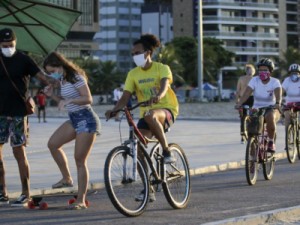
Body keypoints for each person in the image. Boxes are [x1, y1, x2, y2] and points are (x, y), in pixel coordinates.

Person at [105, 34, 179, 201]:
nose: (134, 56)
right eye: (132, 54)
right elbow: (125, 97)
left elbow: (164, 86)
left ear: (148, 53)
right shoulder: (133, 74)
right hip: (145, 115)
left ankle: (167, 151)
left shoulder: (162, 68)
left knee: (152, 114)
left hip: (166, 109)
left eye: (137, 53)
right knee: (136, 147)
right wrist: (115, 109)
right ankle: (149, 188)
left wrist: (159, 96)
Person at [43, 52, 100, 210]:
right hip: (74, 118)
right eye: (49, 72)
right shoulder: (62, 79)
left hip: (86, 119)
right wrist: (51, 95)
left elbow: (88, 98)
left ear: (60, 66)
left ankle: (81, 200)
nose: (51, 74)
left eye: (52, 70)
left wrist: (71, 100)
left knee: (80, 160)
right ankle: (67, 178)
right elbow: (63, 102)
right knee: (53, 144)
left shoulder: (76, 77)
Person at [0, 28, 50, 206]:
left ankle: (25, 192)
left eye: (11, 45)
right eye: (5, 45)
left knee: (18, 151)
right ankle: (2, 191)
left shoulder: (23, 59)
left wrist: (49, 85)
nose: (8, 48)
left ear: (15, 42)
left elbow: (43, 78)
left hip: (19, 113)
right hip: (0, 113)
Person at [236, 58, 282, 153]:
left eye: (265, 70)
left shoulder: (275, 82)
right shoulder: (254, 80)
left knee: (270, 116)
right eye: (260, 70)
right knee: (251, 127)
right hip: (257, 108)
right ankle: (252, 154)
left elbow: (278, 93)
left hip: (271, 107)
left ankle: (270, 142)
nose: (262, 72)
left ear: (270, 70)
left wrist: (278, 103)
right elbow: (247, 93)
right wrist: (239, 103)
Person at [236, 64, 256, 143]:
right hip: (251, 99)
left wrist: (237, 101)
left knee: (243, 117)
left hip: (242, 99)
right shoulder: (254, 79)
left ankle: (242, 135)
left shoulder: (241, 78)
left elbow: (237, 91)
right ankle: (252, 134)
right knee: (253, 117)